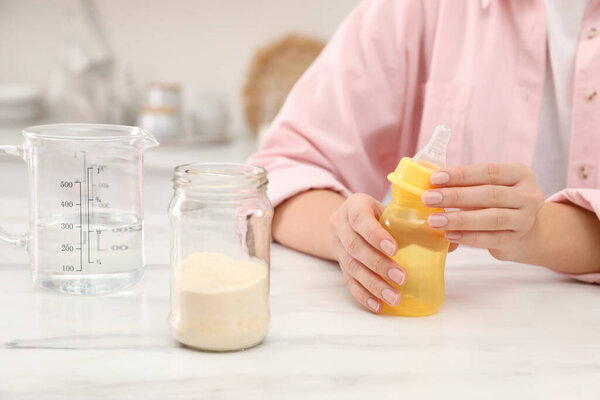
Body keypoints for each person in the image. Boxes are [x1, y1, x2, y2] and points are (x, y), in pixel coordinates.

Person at [248, 0, 600, 313]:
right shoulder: (418, 8)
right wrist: (352, 238)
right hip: (442, 347)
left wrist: (539, 231)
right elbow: (279, 170)